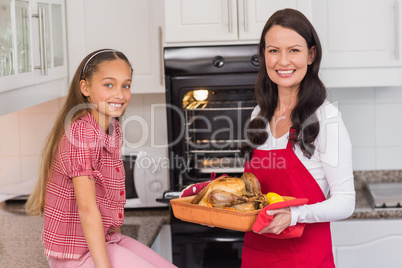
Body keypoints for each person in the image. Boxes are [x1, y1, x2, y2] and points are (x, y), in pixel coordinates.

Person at [25, 49, 177, 268]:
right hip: (74, 253)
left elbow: (108, 195)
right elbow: (87, 209)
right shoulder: (81, 134)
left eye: (126, 85)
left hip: (102, 239)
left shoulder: (113, 129)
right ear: (85, 88)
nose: (120, 94)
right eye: (109, 84)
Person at [240, 9, 355, 267]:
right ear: (263, 55)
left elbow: (346, 202)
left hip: (306, 258)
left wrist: (295, 215)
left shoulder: (327, 118)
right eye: (273, 51)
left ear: (311, 55)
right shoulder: (257, 114)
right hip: (256, 255)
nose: (283, 61)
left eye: (293, 50)